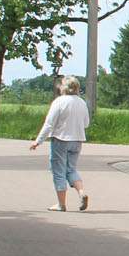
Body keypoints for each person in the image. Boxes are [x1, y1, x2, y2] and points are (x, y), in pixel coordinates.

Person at [29, 76, 91, 211]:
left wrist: (38, 141)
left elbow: (49, 124)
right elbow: (86, 123)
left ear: (64, 87)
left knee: (59, 171)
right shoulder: (81, 103)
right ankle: (81, 193)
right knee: (71, 169)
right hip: (77, 140)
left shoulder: (59, 101)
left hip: (60, 140)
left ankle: (61, 204)